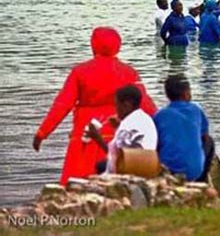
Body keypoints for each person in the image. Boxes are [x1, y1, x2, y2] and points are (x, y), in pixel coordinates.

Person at [33, 27, 157, 185]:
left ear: (93, 45)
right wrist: (162, 125)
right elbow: (144, 102)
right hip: (116, 132)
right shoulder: (128, 72)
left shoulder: (80, 72)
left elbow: (62, 105)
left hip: (85, 133)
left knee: (77, 181)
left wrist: (42, 133)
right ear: (118, 45)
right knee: (115, 180)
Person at [153, 74, 215, 182]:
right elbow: (204, 136)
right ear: (186, 94)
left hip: (167, 170)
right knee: (209, 141)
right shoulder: (196, 110)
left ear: (167, 95)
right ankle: (201, 181)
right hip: (194, 172)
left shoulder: (160, 115)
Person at [87, 85, 158, 173]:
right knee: (101, 165)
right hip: (146, 166)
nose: (116, 109)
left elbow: (116, 159)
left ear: (126, 105)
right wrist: (118, 127)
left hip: (133, 171)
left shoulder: (127, 124)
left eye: (117, 105)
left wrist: (98, 138)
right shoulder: (144, 118)